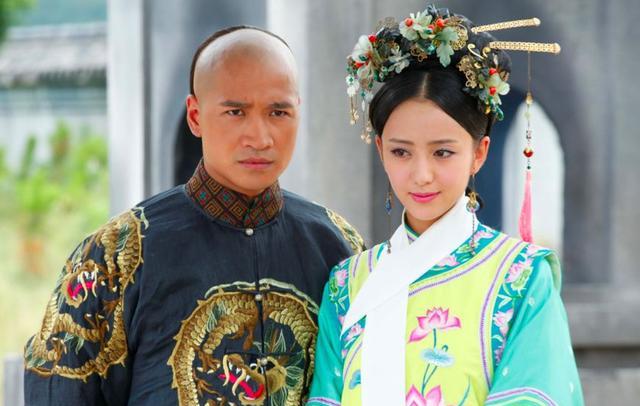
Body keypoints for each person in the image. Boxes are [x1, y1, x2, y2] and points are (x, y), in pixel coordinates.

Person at [23, 26, 364, 405]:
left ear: (298, 111)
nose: (260, 137)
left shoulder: (340, 248)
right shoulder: (116, 255)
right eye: (235, 112)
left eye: (278, 112)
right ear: (196, 116)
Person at [308, 5, 583, 405]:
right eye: (401, 152)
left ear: (479, 153)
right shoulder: (346, 286)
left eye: (442, 153)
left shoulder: (522, 279)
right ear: (381, 150)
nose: (421, 175)